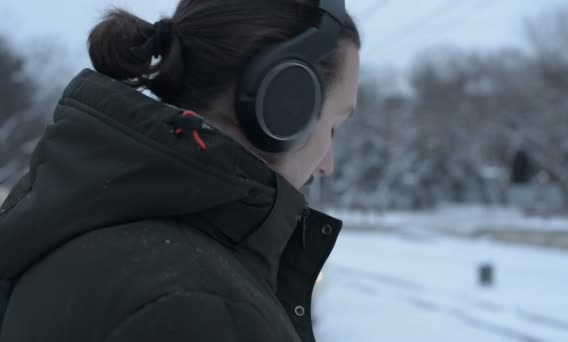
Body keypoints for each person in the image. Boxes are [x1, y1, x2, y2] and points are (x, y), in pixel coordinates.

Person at [0, 0, 360, 341]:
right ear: (285, 102)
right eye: (332, 126)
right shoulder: (201, 309)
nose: (328, 164)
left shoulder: (81, 217)